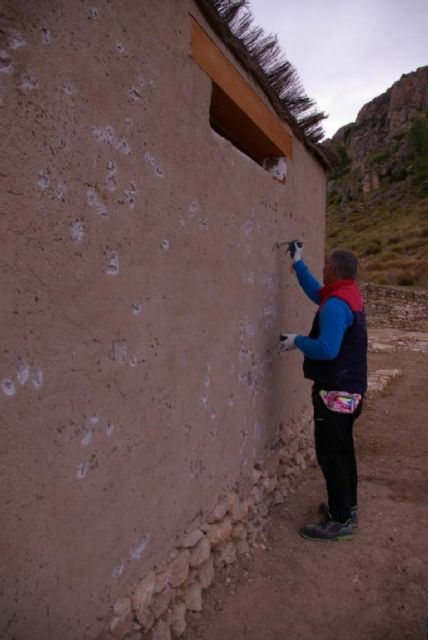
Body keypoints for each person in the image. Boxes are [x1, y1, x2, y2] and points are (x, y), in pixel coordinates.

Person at [280, 242, 368, 541]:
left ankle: (340, 520)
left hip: (335, 392)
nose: (323, 266)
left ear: (333, 269)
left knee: (332, 454)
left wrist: (297, 341)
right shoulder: (346, 295)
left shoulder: (334, 305)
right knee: (343, 451)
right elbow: (317, 292)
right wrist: (298, 263)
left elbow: (327, 349)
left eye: (325, 264)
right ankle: (347, 507)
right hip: (350, 390)